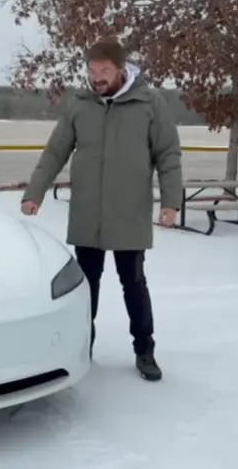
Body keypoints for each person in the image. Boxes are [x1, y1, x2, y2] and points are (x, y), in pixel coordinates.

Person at [20, 39, 183, 382]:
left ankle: (145, 349)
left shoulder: (150, 104)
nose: (96, 78)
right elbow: (55, 152)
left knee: (133, 282)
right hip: (88, 212)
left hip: (129, 212)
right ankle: (83, 347)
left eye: (104, 71)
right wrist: (35, 192)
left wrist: (171, 201)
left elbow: (168, 154)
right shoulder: (80, 105)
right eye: (92, 71)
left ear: (121, 69)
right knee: (86, 285)